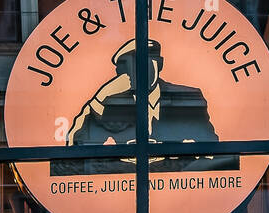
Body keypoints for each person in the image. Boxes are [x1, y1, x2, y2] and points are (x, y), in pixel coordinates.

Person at [51, 38, 237, 175]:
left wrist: (181, 165)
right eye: (134, 65)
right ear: (125, 74)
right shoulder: (112, 104)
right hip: (125, 190)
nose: (142, 70)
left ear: (160, 65)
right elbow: (74, 152)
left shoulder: (187, 97)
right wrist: (100, 97)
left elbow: (212, 152)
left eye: (149, 62)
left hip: (176, 188)